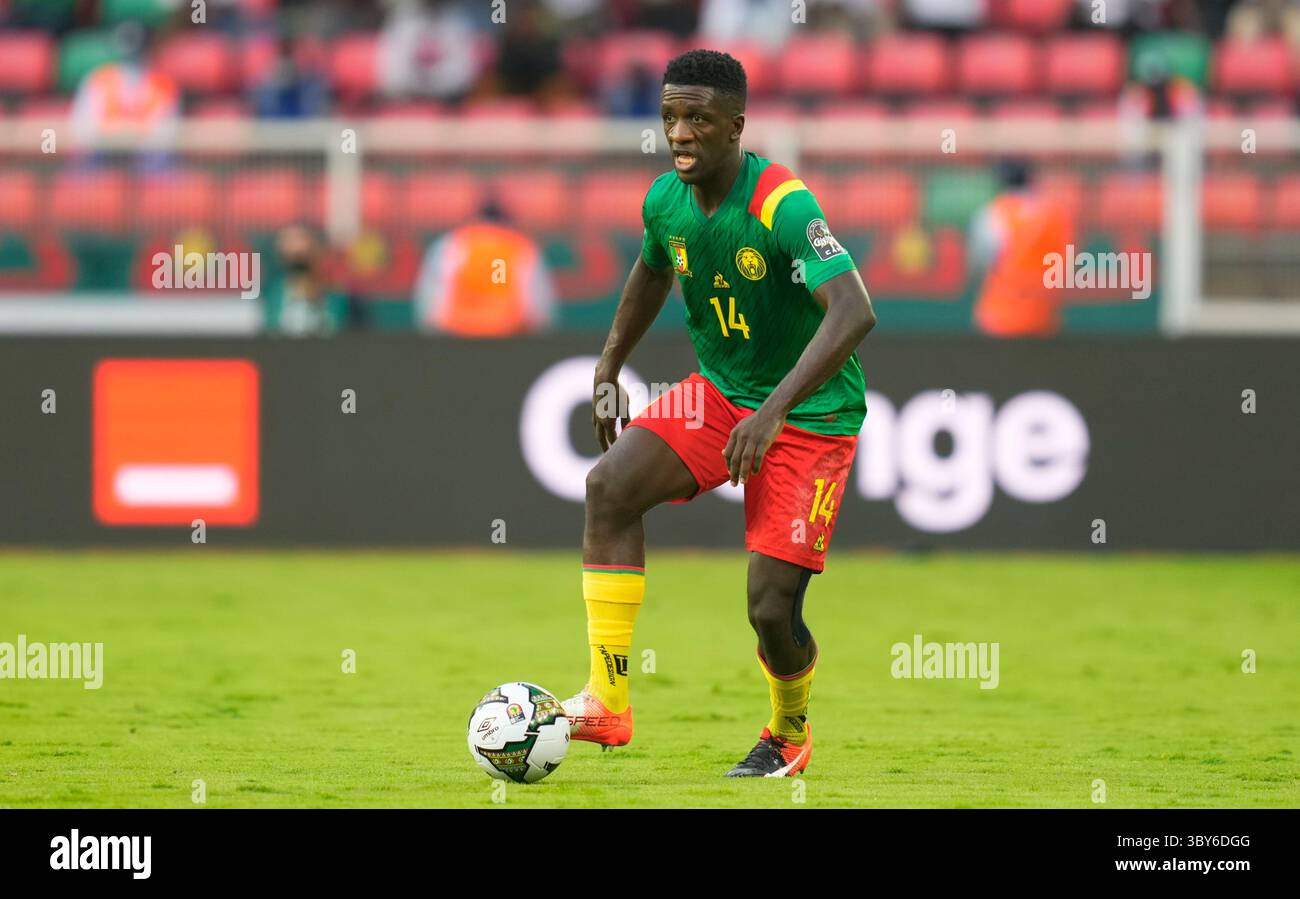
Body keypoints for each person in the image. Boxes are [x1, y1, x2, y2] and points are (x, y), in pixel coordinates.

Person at [562, 50, 877, 777]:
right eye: (670, 116)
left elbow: (855, 311)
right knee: (608, 487)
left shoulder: (781, 203)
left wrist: (772, 412)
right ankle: (607, 700)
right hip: (721, 392)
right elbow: (651, 266)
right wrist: (609, 361)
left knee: (770, 610)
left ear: (736, 126)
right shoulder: (665, 201)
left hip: (812, 413)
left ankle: (788, 729)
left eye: (698, 118)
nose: (680, 132)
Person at [413, 200, 555, 336]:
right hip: (506, 333)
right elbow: (538, 306)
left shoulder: (451, 243)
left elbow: (432, 299)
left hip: (456, 333)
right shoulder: (519, 246)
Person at [968, 159, 1073, 338]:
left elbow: (979, 262)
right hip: (1044, 318)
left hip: (1000, 318)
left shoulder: (995, 213)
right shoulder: (1056, 214)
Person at [264, 223, 358, 336]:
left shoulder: (341, 300)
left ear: (319, 250)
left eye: (302, 240)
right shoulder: (269, 298)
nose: (296, 247)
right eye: (289, 242)